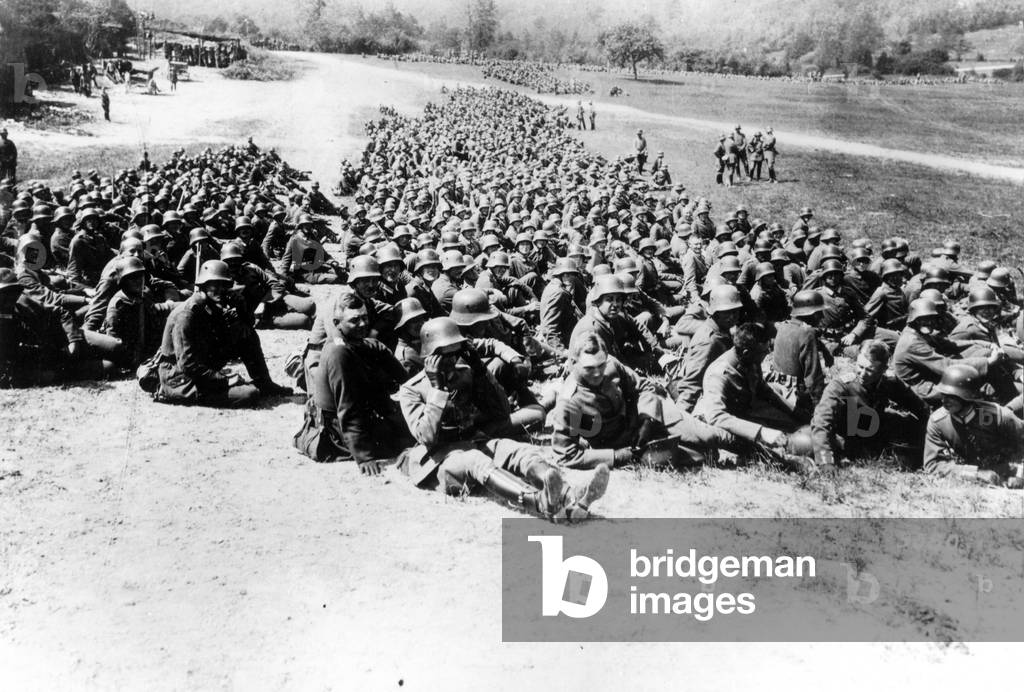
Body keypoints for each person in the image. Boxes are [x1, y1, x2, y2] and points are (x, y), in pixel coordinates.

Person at [397, 317, 610, 521]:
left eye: (456, 354)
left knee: (520, 450)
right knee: (476, 461)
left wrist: (481, 373)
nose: (452, 362)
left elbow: (501, 412)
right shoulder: (412, 390)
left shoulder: (465, 374)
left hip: (474, 442)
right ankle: (539, 502)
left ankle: (568, 496)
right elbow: (426, 436)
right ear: (430, 357)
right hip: (439, 460)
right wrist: (437, 390)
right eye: (445, 356)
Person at [551, 330, 733, 470]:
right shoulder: (569, 402)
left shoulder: (612, 364)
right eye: (589, 368)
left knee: (710, 436)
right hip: (625, 444)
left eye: (601, 365)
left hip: (649, 415)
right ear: (574, 363)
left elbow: (644, 387)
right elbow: (566, 456)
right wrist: (618, 456)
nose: (598, 373)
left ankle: (756, 443)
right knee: (702, 457)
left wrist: (647, 420)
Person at [293, 291, 413, 474]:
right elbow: (347, 408)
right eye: (354, 320)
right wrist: (364, 456)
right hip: (336, 429)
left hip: (354, 416)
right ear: (336, 323)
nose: (363, 324)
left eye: (365, 318)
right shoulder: (338, 353)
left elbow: (371, 346)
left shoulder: (354, 341)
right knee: (406, 439)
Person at [155, 260, 292, 407]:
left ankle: (264, 383)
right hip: (181, 378)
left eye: (224, 285)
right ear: (204, 285)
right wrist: (224, 379)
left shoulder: (210, 304)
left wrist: (241, 309)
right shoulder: (187, 315)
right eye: (215, 284)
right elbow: (187, 365)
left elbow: (237, 333)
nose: (221, 289)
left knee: (247, 334)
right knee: (249, 394)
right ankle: (168, 392)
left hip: (201, 363)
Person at [811, 340, 929, 469]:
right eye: (860, 367)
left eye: (870, 370)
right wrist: (825, 462)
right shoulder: (841, 385)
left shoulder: (889, 381)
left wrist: (935, 435)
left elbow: (920, 407)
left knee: (909, 423)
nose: (862, 374)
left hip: (873, 428)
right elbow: (822, 421)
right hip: (846, 436)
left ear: (883, 369)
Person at [922, 364, 1024, 486]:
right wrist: (975, 474)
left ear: (968, 397)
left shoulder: (997, 416)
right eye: (943, 394)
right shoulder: (938, 422)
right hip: (976, 476)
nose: (944, 400)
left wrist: (1020, 476)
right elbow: (933, 465)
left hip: (1007, 470)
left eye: (952, 396)